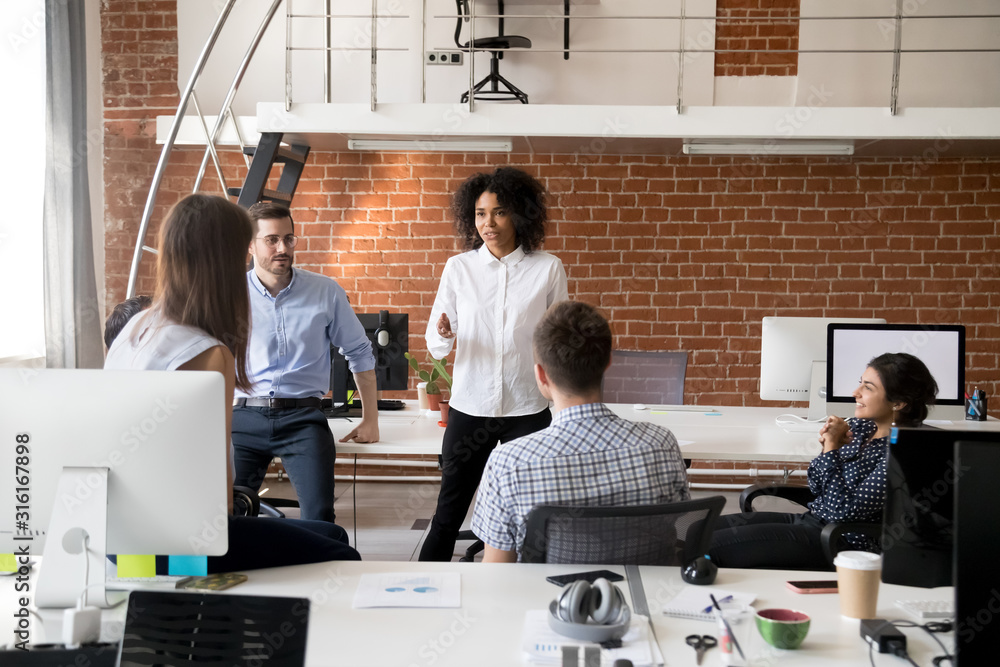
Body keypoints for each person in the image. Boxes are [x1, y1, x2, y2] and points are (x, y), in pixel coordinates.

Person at [106, 194, 360, 571]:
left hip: (121, 533)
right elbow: (218, 495)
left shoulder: (137, 329)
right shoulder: (206, 352)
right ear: (223, 261)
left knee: (326, 533)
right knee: (341, 551)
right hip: (176, 544)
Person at [418, 167, 569, 561]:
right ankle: (421, 591)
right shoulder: (458, 268)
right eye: (481, 213)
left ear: (520, 215)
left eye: (499, 212)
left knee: (531, 515)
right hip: (471, 407)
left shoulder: (547, 268)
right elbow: (435, 347)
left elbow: (559, 338)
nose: (488, 223)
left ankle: (519, 594)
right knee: (447, 515)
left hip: (528, 409)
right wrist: (446, 334)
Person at [470, 301, 691, 562]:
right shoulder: (662, 444)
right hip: (644, 599)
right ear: (608, 361)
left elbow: (497, 576)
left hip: (544, 602)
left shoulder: (508, 463)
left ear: (541, 376)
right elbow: (676, 525)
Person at [708, 352, 938, 570]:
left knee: (711, 547)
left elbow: (841, 512)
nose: (855, 392)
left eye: (868, 387)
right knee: (701, 532)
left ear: (899, 403)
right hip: (814, 521)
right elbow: (817, 485)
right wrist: (830, 448)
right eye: (860, 382)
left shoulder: (901, 452)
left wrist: (831, 449)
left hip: (844, 542)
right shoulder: (861, 427)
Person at [232, 201, 379, 523]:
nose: (282, 248)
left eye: (289, 238)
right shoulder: (230, 293)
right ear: (250, 244)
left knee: (319, 515)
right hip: (242, 417)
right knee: (227, 514)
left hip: (302, 418)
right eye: (271, 240)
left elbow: (359, 352)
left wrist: (371, 419)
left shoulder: (325, 292)